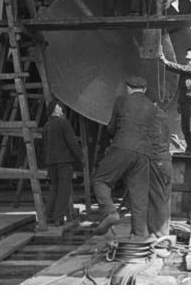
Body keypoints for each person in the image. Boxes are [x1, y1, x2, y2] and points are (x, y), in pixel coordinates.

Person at [92, 76, 156, 238]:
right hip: (144, 152)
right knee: (139, 195)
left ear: (128, 88)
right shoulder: (152, 107)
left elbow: (111, 128)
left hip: (123, 146)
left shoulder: (121, 101)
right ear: (145, 90)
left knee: (101, 180)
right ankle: (140, 234)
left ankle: (110, 212)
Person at [42, 103, 84, 226]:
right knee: (64, 190)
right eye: (59, 106)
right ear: (55, 110)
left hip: (51, 162)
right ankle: (58, 218)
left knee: (54, 188)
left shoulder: (46, 126)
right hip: (64, 161)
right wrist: (81, 156)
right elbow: (72, 142)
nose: (61, 108)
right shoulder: (63, 123)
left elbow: (44, 146)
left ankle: (48, 215)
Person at [159, 47, 191, 156]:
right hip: (186, 101)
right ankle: (190, 148)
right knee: (186, 126)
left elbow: (180, 68)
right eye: (188, 51)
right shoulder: (186, 70)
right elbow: (182, 88)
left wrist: (165, 61)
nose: (188, 51)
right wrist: (180, 103)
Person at [148, 105, 172, 237]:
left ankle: (157, 236)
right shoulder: (166, 117)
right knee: (165, 200)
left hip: (155, 161)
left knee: (155, 199)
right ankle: (164, 233)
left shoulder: (150, 118)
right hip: (166, 161)